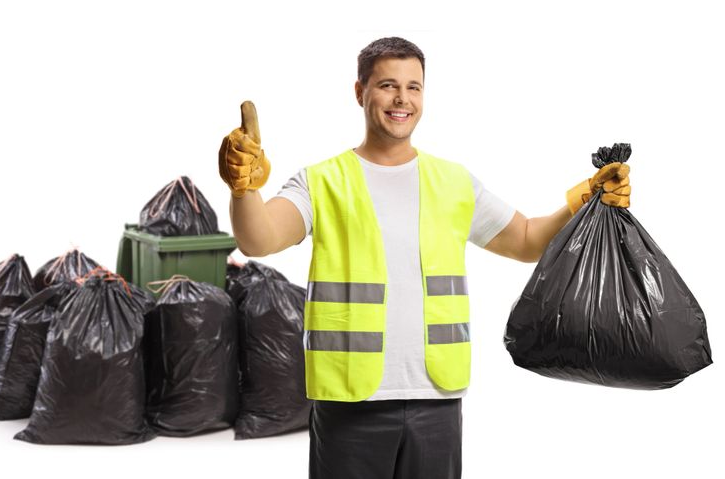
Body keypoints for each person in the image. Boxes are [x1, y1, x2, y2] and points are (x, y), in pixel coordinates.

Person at [218, 36, 631, 479]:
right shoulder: (322, 181)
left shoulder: (452, 182)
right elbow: (259, 239)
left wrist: (586, 199)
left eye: (414, 87)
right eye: (388, 86)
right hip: (350, 402)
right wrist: (244, 190)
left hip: (436, 398)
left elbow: (528, 240)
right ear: (360, 92)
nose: (402, 99)